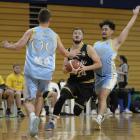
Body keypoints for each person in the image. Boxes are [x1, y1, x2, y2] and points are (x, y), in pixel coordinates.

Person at [2, 8, 76, 137]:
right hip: (47, 72)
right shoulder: (55, 35)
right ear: (50, 20)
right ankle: (34, 125)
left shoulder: (31, 32)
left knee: (28, 101)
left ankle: (32, 117)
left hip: (32, 71)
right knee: (40, 96)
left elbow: (18, 46)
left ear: (38, 19)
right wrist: (73, 54)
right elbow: (65, 53)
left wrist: (7, 45)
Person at [93, 6, 140, 129]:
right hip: (98, 76)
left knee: (103, 96)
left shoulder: (115, 42)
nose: (103, 31)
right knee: (101, 97)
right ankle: (103, 113)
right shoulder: (96, 44)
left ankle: (98, 118)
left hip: (110, 75)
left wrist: (134, 15)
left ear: (111, 31)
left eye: (106, 29)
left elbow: (127, 28)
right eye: (102, 29)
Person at [46, 27, 101, 130]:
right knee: (62, 96)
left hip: (87, 84)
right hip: (73, 82)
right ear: (72, 36)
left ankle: (89, 96)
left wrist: (85, 68)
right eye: (75, 33)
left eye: (79, 33)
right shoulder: (68, 51)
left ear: (82, 36)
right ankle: (52, 121)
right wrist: (70, 69)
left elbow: (99, 64)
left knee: (76, 112)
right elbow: (63, 69)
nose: (76, 35)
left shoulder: (88, 48)